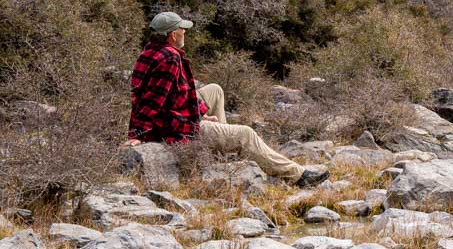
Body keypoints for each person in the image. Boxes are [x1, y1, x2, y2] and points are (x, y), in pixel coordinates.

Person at [126, 11, 328, 187]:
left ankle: (220, 150)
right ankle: (297, 175)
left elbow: (172, 95)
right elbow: (154, 102)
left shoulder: (149, 51)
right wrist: (137, 134)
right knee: (246, 134)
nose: (184, 32)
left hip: (174, 116)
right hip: (174, 129)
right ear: (172, 34)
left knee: (215, 90)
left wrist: (200, 113)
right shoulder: (170, 58)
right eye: (181, 29)